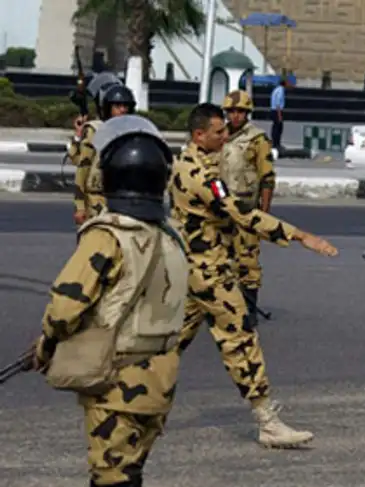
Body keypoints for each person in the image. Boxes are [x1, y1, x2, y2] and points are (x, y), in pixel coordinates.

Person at [30, 114, 189, 486]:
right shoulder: (173, 237)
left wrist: (46, 345)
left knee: (111, 477)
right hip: (160, 381)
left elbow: (63, 309)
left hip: (116, 381)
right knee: (129, 473)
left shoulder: (108, 236)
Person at [170, 102, 338, 448]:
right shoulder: (199, 175)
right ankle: (267, 421)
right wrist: (300, 235)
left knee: (168, 344)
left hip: (190, 270)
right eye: (218, 132)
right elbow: (242, 213)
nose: (225, 136)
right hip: (210, 272)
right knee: (242, 341)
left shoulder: (187, 163)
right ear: (199, 135)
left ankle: (127, 402)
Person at [220, 89, 277, 325]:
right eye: (231, 111)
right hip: (220, 208)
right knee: (219, 259)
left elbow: (267, 178)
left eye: (240, 111)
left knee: (247, 261)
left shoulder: (257, 139)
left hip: (246, 208)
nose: (235, 116)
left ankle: (249, 308)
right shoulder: (219, 135)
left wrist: (264, 214)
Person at [69, 79, 137, 226]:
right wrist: (80, 206)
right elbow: (82, 168)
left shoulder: (133, 133)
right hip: (97, 200)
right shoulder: (96, 131)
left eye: (125, 106)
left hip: (123, 200)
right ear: (108, 108)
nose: (122, 110)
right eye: (117, 106)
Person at [269, 79, 286, 150]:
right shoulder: (281, 90)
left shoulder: (276, 89)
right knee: (278, 128)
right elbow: (278, 103)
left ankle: (274, 143)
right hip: (277, 111)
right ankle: (277, 144)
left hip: (273, 110)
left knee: (275, 127)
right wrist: (279, 115)